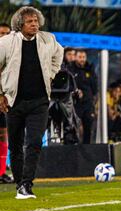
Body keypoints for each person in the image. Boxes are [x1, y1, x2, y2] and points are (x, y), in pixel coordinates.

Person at [0, 6, 63, 198]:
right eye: (30, 21)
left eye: (36, 20)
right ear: (20, 24)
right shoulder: (5, 42)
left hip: (39, 101)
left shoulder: (48, 39)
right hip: (14, 101)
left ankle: (26, 184)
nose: (35, 24)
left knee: (34, 142)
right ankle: (20, 183)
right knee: (15, 146)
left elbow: (58, 55)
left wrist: (51, 74)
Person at [69, 49, 98, 144]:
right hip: (75, 104)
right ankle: (72, 147)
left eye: (83, 57)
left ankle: (87, 149)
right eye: (80, 57)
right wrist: (75, 91)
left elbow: (95, 88)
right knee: (73, 127)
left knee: (88, 127)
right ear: (75, 57)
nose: (82, 59)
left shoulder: (90, 69)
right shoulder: (70, 68)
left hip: (88, 104)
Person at [0, 22, 12, 184]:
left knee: (3, 135)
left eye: (6, 33)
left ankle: (1, 171)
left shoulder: (12, 55)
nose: (3, 36)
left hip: (5, 101)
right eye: (1, 33)